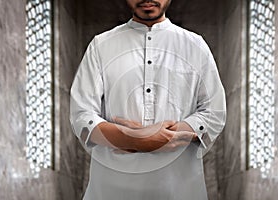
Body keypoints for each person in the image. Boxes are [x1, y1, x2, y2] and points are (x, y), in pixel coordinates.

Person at [70, 0, 226, 199]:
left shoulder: (195, 45)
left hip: (179, 190)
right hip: (110, 190)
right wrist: (136, 139)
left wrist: (161, 137)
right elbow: (81, 116)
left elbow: (214, 112)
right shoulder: (100, 45)